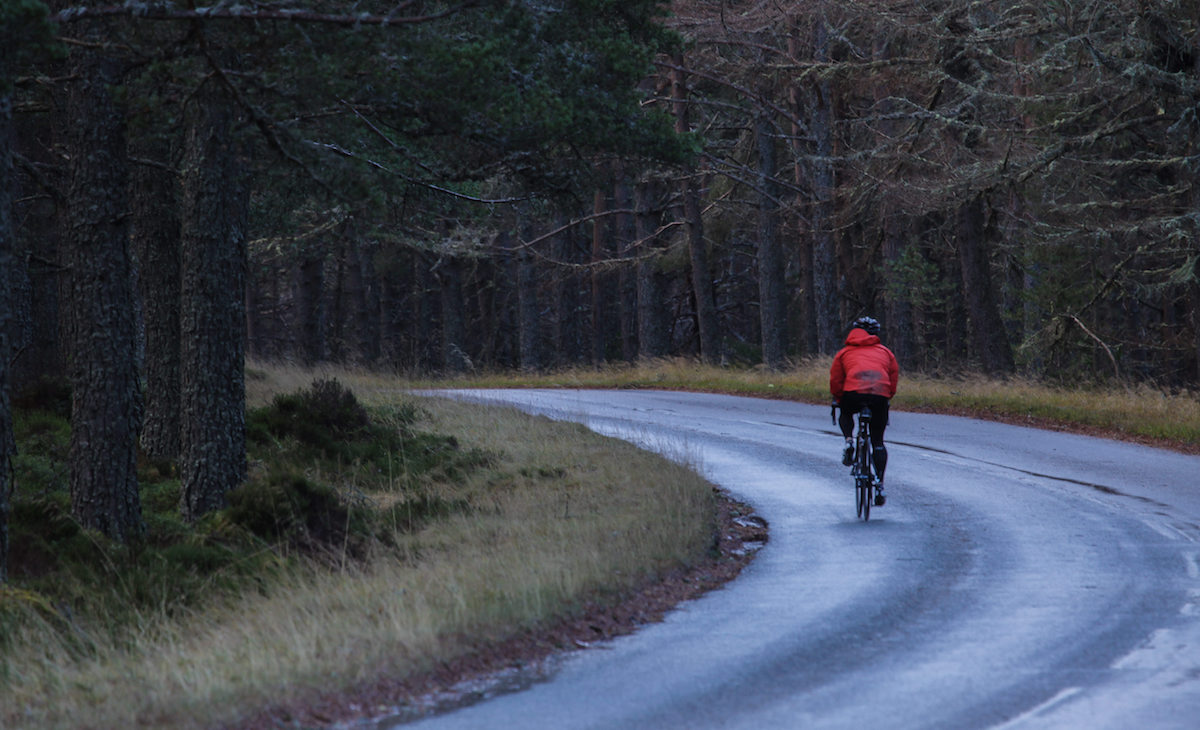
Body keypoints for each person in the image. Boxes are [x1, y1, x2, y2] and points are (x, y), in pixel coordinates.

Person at [830, 316, 900, 503]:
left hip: (852, 394)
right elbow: (893, 378)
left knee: (845, 412)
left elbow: (836, 380)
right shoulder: (886, 352)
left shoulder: (844, 353)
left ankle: (849, 440)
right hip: (879, 394)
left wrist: (838, 397)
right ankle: (879, 484)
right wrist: (887, 395)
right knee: (878, 441)